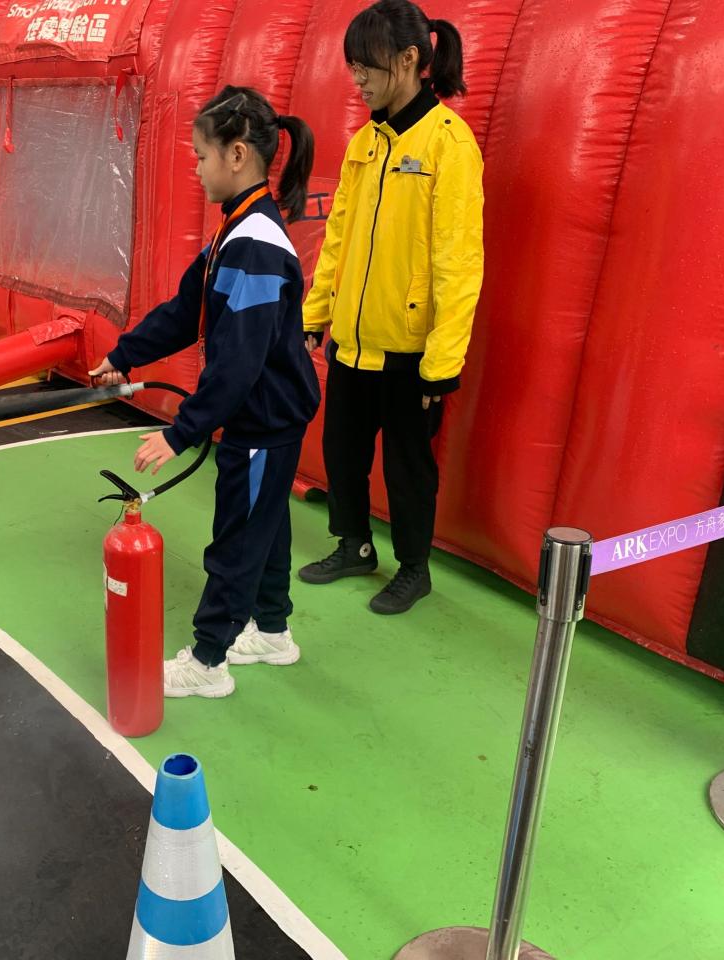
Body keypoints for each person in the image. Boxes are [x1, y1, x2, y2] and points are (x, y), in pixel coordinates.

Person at [89, 86, 319, 699]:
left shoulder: (255, 245)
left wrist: (180, 431)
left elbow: (239, 363)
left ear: (237, 155)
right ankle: (272, 631)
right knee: (265, 525)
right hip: (270, 416)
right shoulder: (236, 230)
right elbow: (185, 309)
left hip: (263, 419)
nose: (196, 169)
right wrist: (123, 355)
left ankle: (209, 661)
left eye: (200, 156)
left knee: (238, 538)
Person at [298, 0, 484, 616]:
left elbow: (459, 262)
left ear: (408, 60)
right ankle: (353, 546)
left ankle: (413, 569)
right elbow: (338, 239)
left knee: (407, 470)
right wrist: (315, 315)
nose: (357, 79)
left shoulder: (449, 144)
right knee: (342, 455)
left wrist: (442, 363)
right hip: (352, 344)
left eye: (366, 66)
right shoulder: (365, 143)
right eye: (352, 66)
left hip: (410, 353)